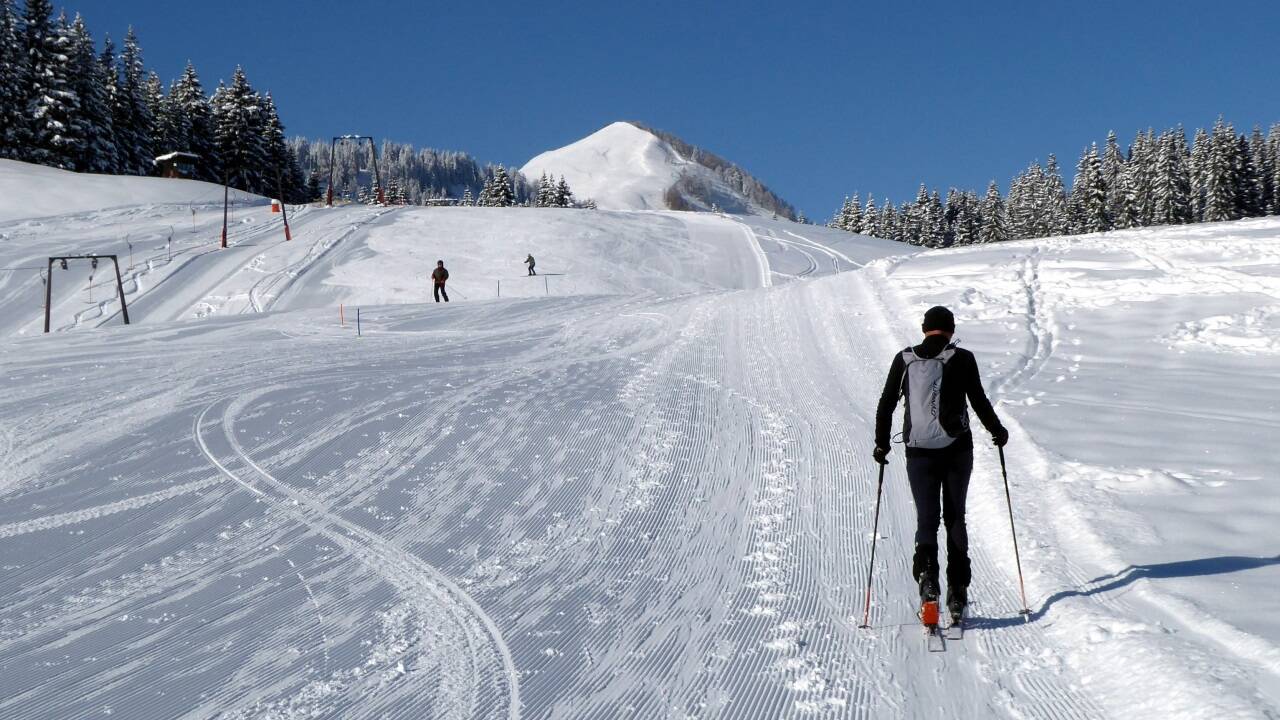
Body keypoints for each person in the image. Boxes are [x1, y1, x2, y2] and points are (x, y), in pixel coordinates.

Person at [873, 305, 1008, 620]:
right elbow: (977, 400)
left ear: (924, 329)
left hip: (918, 451)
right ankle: (958, 592)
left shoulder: (904, 359)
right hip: (958, 450)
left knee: (926, 520)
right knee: (955, 518)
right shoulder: (962, 358)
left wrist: (881, 444)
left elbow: (886, 402)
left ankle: (928, 584)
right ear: (950, 329)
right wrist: (997, 431)